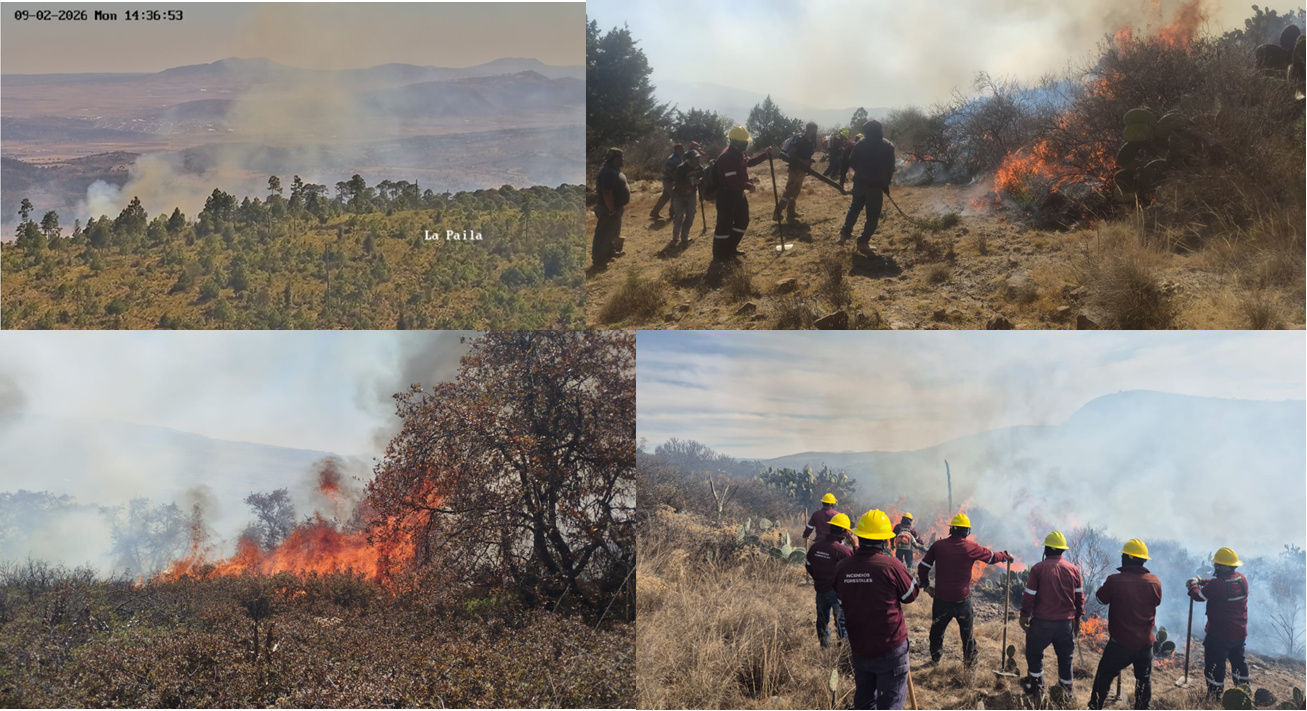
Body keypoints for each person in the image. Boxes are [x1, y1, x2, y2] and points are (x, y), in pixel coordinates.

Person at [834, 509, 920, 711]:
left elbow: (841, 599)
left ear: (860, 537)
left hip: (860, 646)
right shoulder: (891, 565)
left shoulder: (842, 567)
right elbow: (911, 595)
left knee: (864, 702)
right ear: (883, 541)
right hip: (891, 647)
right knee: (890, 703)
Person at [917, 512, 1013, 666]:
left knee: (937, 632)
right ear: (967, 531)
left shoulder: (938, 546)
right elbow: (992, 557)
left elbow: (923, 566)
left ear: (951, 529)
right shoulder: (971, 547)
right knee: (967, 635)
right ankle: (969, 666)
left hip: (941, 600)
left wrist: (925, 585)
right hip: (962, 601)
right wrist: (1005, 555)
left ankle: (935, 660)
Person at [1087, 539, 1163, 711]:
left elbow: (1101, 598)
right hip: (1145, 644)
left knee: (1104, 676)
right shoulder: (1155, 582)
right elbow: (1157, 602)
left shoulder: (1115, 580)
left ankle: (1095, 706)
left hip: (1120, 644)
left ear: (1127, 558)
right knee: (1144, 679)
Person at [1020, 532, 1085, 700]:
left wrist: (1024, 615)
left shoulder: (1038, 568)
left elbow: (1030, 595)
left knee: (1034, 654)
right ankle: (1066, 693)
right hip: (1065, 625)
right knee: (1065, 659)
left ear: (1046, 549)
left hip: (1042, 623)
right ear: (1062, 550)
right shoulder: (1074, 570)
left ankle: (1036, 689)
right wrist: (1078, 619)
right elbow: (1079, 598)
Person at [1187, 547, 1250, 701]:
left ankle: (1214, 698)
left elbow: (1199, 596)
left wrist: (1192, 586)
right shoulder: (1242, 579)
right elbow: (1219, 584)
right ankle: (1244, 694)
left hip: (1219, 636)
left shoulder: (1218, 585)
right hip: (1239, 634)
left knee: (1215, 667)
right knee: (1239, 664)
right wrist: (1201, 581)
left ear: (1220, 566)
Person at [712, 126, 771, 262]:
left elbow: (749, 162)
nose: (746, 144)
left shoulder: (739, 154)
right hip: (726, 196)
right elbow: (731, 180)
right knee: (724, 225)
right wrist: (748, 186)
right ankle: (720, 255)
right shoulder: (727, 156)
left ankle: (731, 248)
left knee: (742, 220)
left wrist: (765, 155)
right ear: (735, 141)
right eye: (743, 142)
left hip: (738, 194)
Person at [840, 120, 897, 255]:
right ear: (880, 130)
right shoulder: (888, 146)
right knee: (873, 215)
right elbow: (890, 168)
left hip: (859, 182)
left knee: (854, 208)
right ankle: (863, 242)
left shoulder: (861, 143)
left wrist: (860, 172)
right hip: (875, 185)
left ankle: (843, 235)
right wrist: (885, 184)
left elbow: (852, 160)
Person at [806, 512, 853, 648]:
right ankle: (843, 651)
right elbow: (855, 569)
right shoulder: (843, 551)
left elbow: (808, 565)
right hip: (837, 593)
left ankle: (824, 647)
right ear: (844, 532)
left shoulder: (816, 546)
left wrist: (818, 579)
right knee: (841, 622)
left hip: (820, 589)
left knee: (822, 620)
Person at [775, 122, 819, 223]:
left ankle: (791, 212)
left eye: (815, 130)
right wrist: (802, 161)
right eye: (812, 130)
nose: (814, 132)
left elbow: (808, 154)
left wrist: (808, 161)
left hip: (803, 169)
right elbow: (792, 153)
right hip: (795, 168)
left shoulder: (812, 141)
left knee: (796, 190)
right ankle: (777, 212)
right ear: (807, 130)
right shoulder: (799, 139)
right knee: (789, 190)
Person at [593, 148, 630, 268]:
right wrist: (612, 211)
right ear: (616, 158)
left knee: (612, 233)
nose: (623, 160)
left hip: (613, 208)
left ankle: (609, 254)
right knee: (603, 235)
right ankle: (599, 262)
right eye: (621, 158)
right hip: (608, 209)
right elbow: (607, 193)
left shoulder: (612, 169)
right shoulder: (608, 172)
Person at [670, 149, 703, 246]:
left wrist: (701, 195)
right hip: (679, 195)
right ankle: (675, 236)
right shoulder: (681, 168)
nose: (698, 160)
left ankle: (685, 236)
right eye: (696, 158)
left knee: (690, 215)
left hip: (692, 194)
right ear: (690, 159)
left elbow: (701, 181)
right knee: (679, 216)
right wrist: (692, 182)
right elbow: (678, 183)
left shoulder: (699, 168)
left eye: (699, 158)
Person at [650, 143, 684, 220]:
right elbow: (670, 171)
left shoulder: (679, 158)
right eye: (681, 149)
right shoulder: (672, 159)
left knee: (665, 197)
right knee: (675, 196)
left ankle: (654, 212)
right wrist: (675, 180)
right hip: (669, 181)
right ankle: (672, 214)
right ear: (677, 150)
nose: (683, 150)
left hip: (671, 181)